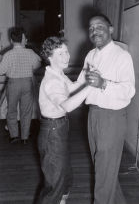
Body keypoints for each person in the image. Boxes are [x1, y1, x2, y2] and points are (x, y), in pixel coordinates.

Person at [77, 13, 135, 204]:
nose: (95, 31)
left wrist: (103, 84)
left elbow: (129, 91)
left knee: (104, 172)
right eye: (91, 28)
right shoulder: (90, 55)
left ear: (110, 29)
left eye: (99, 26)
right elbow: (79, 84)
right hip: (93, 115)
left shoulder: (122, 56)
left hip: (112, 118)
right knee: (103, 169)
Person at [37, 36, 92, 204]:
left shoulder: (58, 74)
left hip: (59, 128)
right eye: (61, 54)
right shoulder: (52, 81)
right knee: (55, 183)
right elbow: (67, 106)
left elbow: (73, 87)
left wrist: (85, 73)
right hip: (52, 131)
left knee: (64, 175)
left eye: (67, 52)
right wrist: (91, 86)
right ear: (50, 57)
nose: (67, 56)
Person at [0, 27, 41, 144]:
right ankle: (25, 137)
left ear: (11, 40)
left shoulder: (8, 54)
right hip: (27, 83)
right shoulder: (30, 52)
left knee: (11, 110)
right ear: (22, 39)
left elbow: (0, 71)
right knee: (26, 111)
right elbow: (37, 64)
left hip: (13, 84)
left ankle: (14, 135)